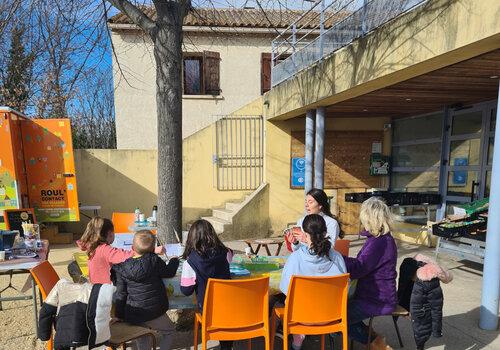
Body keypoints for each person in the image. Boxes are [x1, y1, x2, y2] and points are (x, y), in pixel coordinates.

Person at [278, 214, 347, 350]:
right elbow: (345, 286)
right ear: (325, 233)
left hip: (300, 317)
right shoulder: (337, 257)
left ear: (304, 234)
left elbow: (284, 288)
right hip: (331, 316)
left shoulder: (295, 258)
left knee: (280, 301)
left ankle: (297, 338)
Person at [343, 197, 397, 350]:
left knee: (336, 317)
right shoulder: (380, 239)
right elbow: (362, 265)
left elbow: (358, 269)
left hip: (377, 299)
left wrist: (338, 258)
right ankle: (374, 338)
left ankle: (377, 343)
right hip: (375, 295)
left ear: (369, 218)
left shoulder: (378, 242)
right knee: (342, 312)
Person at [111, 230, 179, 350]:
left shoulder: (122, 268)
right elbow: (169, 272)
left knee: (143, 338)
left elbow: (120, 294)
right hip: (154, 311)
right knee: (170, 332)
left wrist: (119, 315)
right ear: (153, 249)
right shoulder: (154, 260)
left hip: (135, 312)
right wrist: (174, 260)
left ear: (132, 248)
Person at [180, 219, 233, 350]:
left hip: (208, 309)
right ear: (213, 235)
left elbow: (186, 290)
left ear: (191, 238)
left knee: (213, 311)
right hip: (229, 306)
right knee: (224, 315)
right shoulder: (226, 253)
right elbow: (231, 252)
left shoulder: (190, 262)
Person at [78, 217, 164, 284]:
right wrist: (152, 250)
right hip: (107, 290)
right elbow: (127, 256)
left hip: (96, 287)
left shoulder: (92, 246)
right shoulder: (105, 250)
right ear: (110, 233)